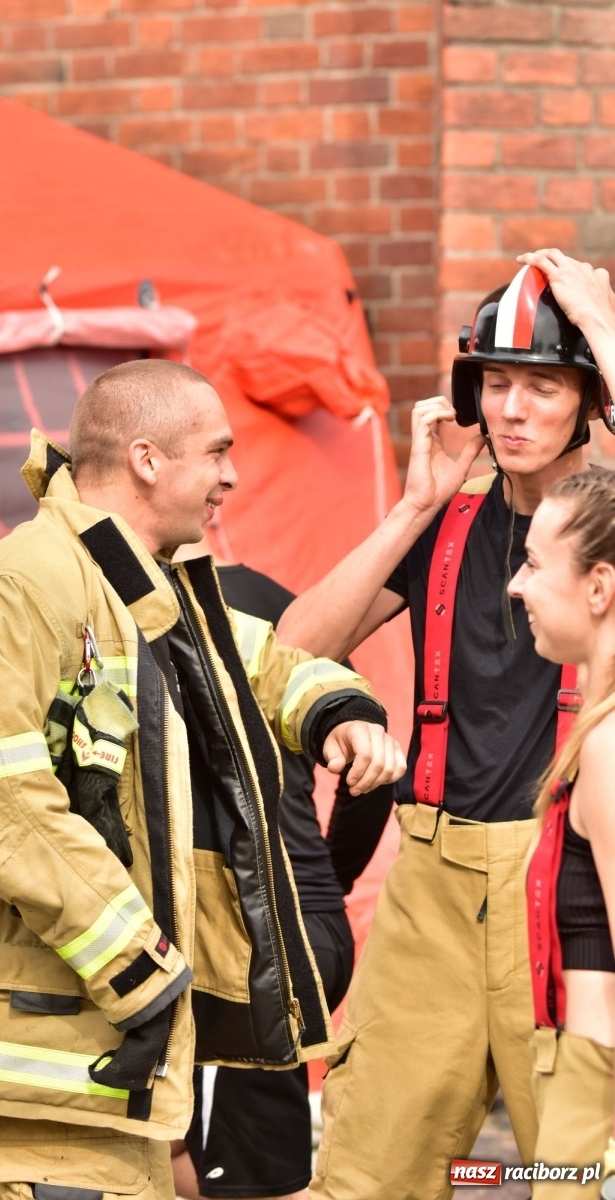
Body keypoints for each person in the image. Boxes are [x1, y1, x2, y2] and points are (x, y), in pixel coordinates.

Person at [0, 359, 406, 1200]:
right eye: (217, 451)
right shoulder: (16, 592)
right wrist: (140, 971)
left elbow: (257, 661)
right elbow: (0, 810)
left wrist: (339, 712)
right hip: (44, 1030)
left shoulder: (131, 583)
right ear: (148, 460)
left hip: (100, 1026)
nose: (232, 475)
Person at [276, 249, 615, 1200]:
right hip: (431, 887)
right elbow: (294, 649)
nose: (513, 410)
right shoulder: (446, 522)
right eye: (495, 384)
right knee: (368, 1175)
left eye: (543, 387)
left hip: (567, 896)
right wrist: (416, 504)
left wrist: (606, 330)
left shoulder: (609, 527)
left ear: (589, 399)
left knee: (570, 1178)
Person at [170, 554, 393, 1200]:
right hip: (300, 929)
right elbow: (370, 762)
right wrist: (328, 886)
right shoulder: (283, 607)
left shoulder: (151, 610)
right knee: (197, 1153)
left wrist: (311, 893)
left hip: (255, 944)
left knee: (242, 1178)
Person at [510, 468, 615, 1199]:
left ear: (599, 587)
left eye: (534, 563)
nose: (517, 585)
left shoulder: (609, 747)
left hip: (595, 1092)